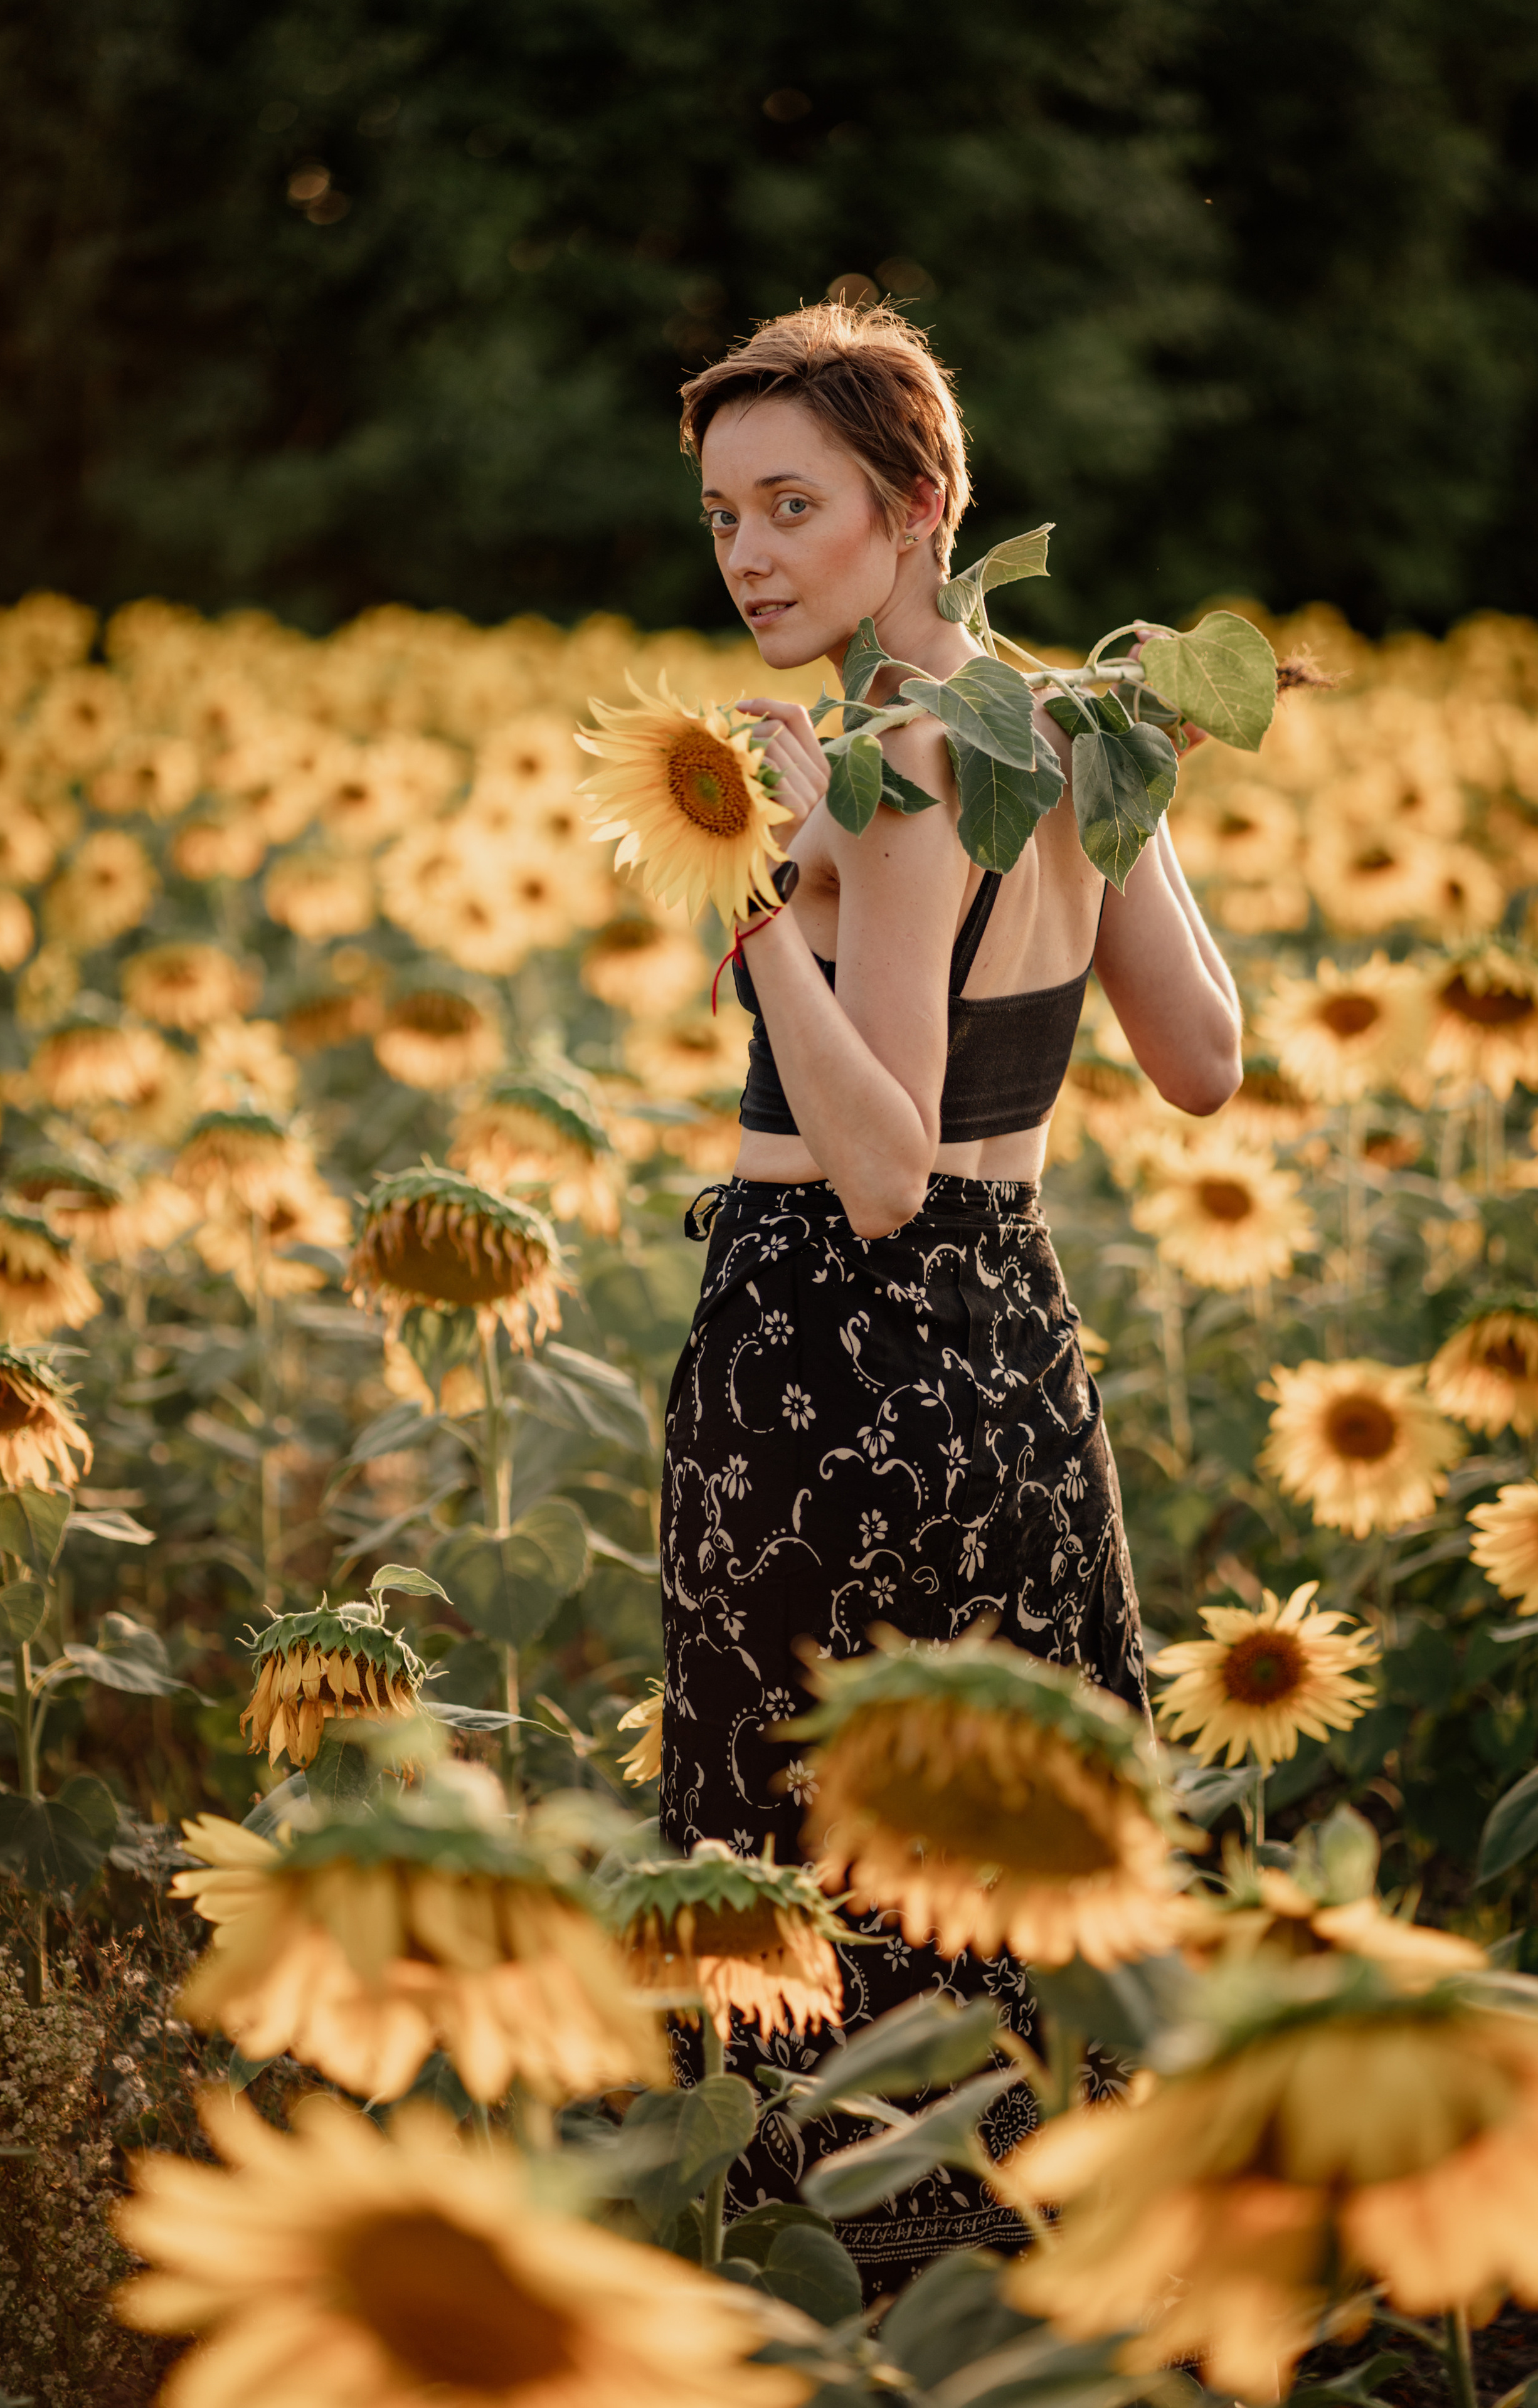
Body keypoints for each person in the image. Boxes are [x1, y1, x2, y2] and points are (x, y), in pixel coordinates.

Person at [656, 301, 1242, 2293]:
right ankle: (1041, 2300)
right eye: (727, 512)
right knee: (1005, 1860)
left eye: (795, 504)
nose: (749, 554)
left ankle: (863, 2310)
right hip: (1011, 1353)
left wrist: (755, 906)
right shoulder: (1073, 727)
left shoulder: (903, 757)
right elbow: (1206, 1059)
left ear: (919, 510)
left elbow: (885, 1168)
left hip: (830, 1356)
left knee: (811, 1886)